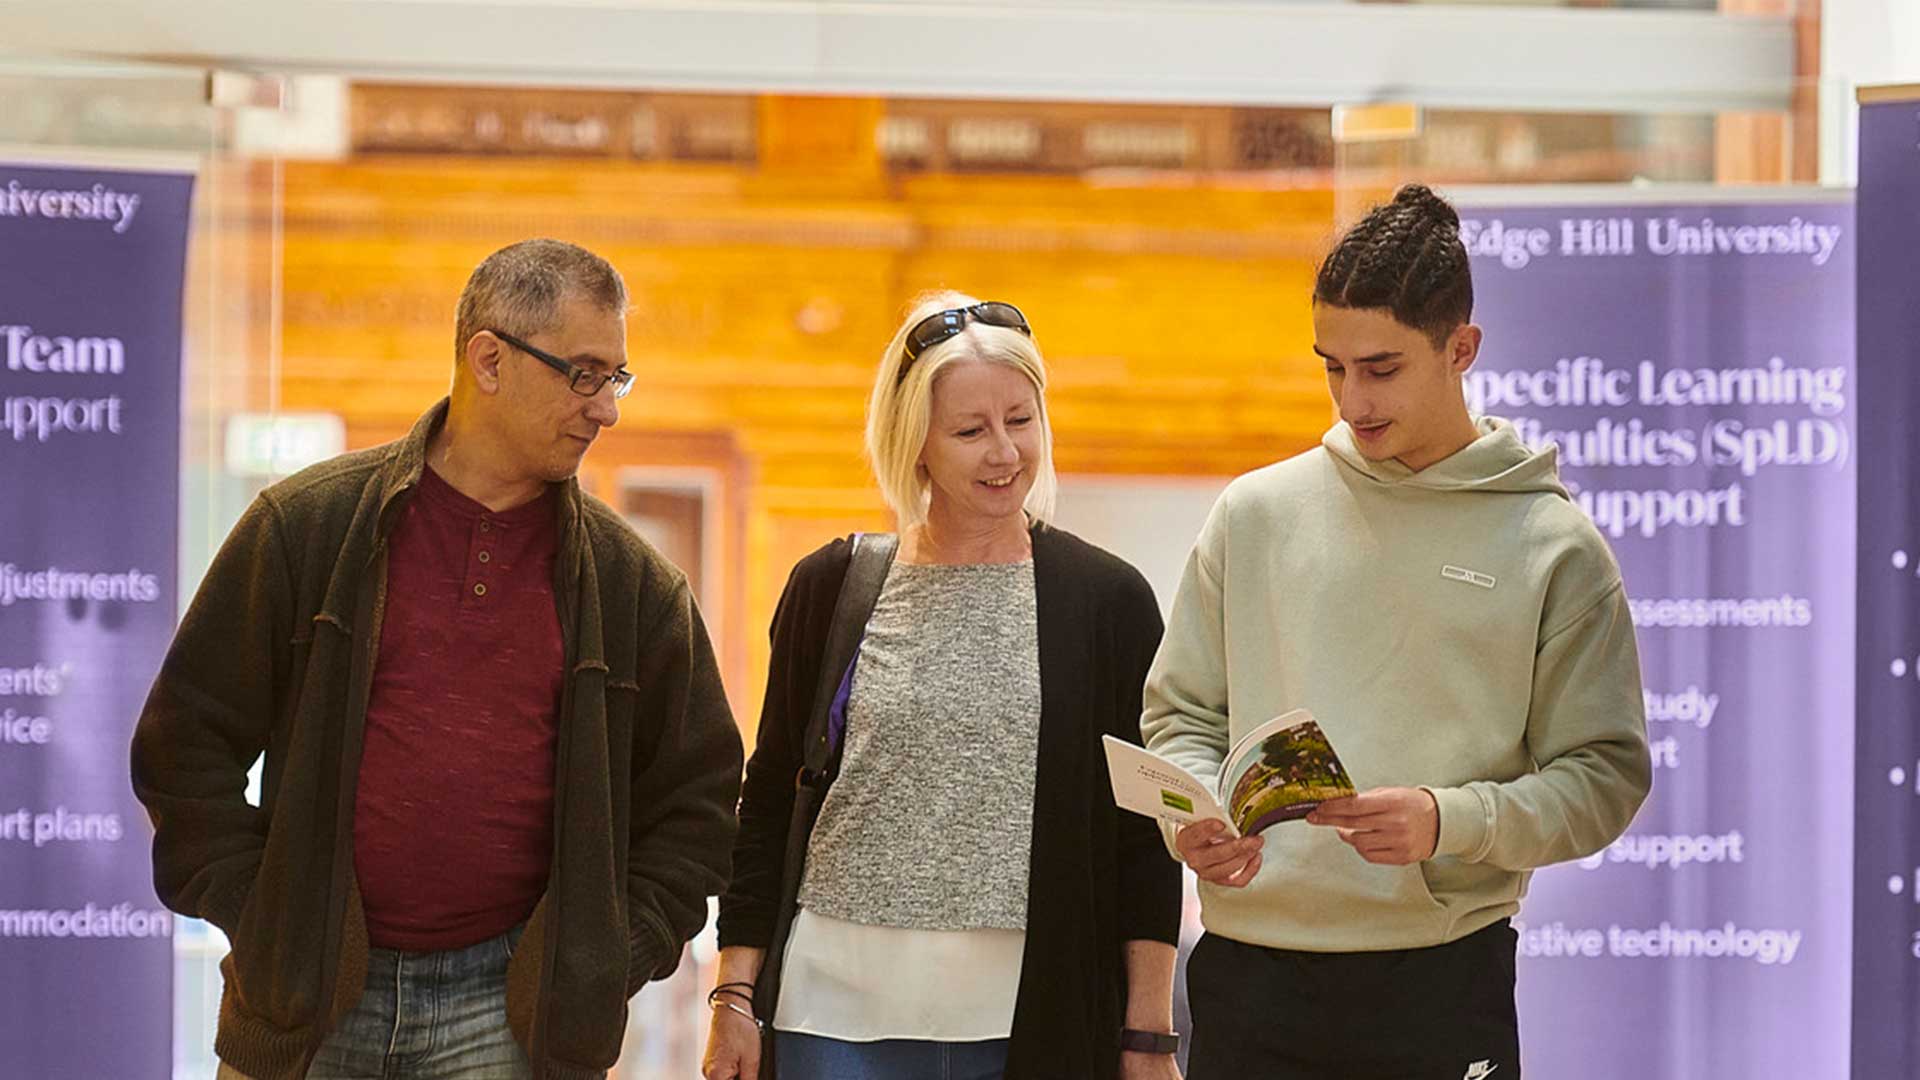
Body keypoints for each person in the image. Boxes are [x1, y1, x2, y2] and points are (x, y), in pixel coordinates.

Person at [131, 238, 744, 1080]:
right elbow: (182, 748)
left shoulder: (634, 585)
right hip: (305, 1005)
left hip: (515, 1019)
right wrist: (267, 915)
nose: (607, 409)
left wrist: (598, 956)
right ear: (488, 360)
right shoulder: (304, 527)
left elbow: (697, 806)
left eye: (616, 378)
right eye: (584, 374)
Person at [1144, 185, 1652, 1080]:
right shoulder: (1254, 514)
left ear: (1463, 349)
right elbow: (1181, 713)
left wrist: (1446, 820)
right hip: (1248, 977)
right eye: (1331, 366)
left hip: (1440, 979)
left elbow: (1604, 778)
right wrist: (1191, 817)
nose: (1351, 399)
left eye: (1381, 368)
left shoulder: (1552, 547)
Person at [702, 293, 1184, 1080]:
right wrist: (733, 996)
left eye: (1020, 421)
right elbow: (768, 807)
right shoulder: (831, 587)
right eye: (970, 431)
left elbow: (1144, 839)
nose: (1004, 453)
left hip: (1033, 1019)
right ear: (915, 442)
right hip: (832, 1014)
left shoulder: (1107, 602)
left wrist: (1149, 1036)